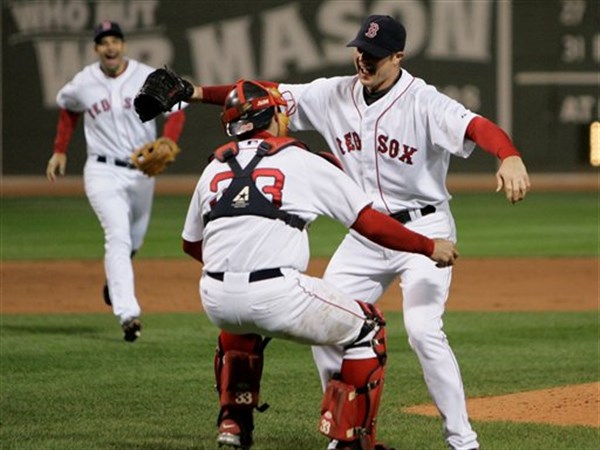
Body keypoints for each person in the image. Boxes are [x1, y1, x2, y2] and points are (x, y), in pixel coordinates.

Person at [180, 14, 531, 450]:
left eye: (375, 55)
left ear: (398, 56)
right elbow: (262, 94)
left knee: (423, 330)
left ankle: (462, 441)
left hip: (423, 224)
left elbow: (476, 127)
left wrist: (509, 155)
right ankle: (348, 434)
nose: (364, 60)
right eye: (360, 51)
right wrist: (194, 93)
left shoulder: (424, 100)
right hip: (366, 236)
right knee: (329, 331)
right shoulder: (332, 93)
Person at [180, 79, 459, 450]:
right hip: (277, 294)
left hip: (215, 298)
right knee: (369, 328)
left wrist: (237, 270)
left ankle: (233, 420)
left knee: (240, 322)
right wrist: (426, 245)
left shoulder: (214, 166)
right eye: (282, 110)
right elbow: (369, 223)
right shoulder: (301, 160)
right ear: (273, 115)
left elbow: (191, 243)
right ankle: (350, 442)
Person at [46, 21, 187, 342]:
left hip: (141, 172)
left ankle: (115, 279)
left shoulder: (146, 76)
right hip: (101, 171)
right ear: (96, 48)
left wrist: (168, 140)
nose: (110, 47)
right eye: (103, 42)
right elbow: (68, 108)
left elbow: (177, 108)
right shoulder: (84, 82)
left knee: (134, 241)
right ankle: (128, 314)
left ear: (122, 45)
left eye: (115, 41)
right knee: (119, 237)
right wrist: (59, 150)